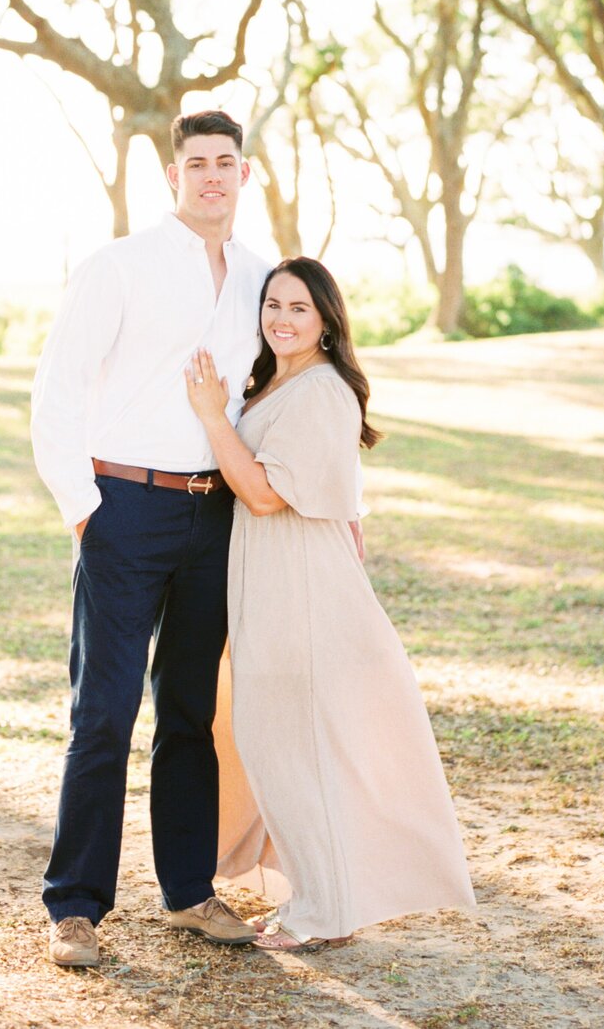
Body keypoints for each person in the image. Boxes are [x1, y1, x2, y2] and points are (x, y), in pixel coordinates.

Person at [31, 109, 271, 968]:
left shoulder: (259, 276)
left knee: (190, 713)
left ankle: (188, 892)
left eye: (227, 162)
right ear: (174, 176)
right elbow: (56, 386)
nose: (212, 176)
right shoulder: (119, 266)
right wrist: (81, 505)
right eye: (197, 163)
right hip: (123, 507)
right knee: (103, 712)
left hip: (216, 518)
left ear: (247, 175)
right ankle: (76, 906)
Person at [185, 257, 476, 952]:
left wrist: (208, 415)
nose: (282, 320)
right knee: (275, 742)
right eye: (273, 306)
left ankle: (324, 911)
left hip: (300, 591)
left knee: (295, 747)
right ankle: (310, 894)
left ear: (326, 323)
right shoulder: (275, 384)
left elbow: (263, 494)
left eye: (299, 309)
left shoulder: (319, 390)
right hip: (274, 579)